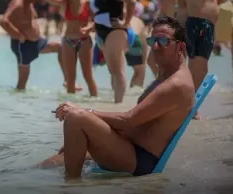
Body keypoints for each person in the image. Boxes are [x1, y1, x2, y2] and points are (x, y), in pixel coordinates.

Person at [37, 16, 195, 179]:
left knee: (75, 117)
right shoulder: (167, 74)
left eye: (163, 41)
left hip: (138, 160)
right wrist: (88, 130)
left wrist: (84, 113)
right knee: (52, 162)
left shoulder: (176, 84)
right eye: (152, 40)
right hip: (128, 145)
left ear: (180, 47)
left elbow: (129, 120)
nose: (155, 46)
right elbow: (136, 122)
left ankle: (71, 186)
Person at [0, 0, 67, 90]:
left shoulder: (29, 2)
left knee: (60, 47)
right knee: (22, 85)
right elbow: (4, 21)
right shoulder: (18, 4)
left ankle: (67, 80)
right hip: (22, 46)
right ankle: (18, 103)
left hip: (36, 42)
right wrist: (18, 35)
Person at [91, 0, 137, 103]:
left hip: (115, 30)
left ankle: (119, 105)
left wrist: (126, 22)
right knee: (112, 70)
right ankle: (116, 102)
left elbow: (131, 2)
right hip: (103, 31)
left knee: (117, 71)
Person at [45, 0, 97, 96]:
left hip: (84, 40)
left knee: (88, 75)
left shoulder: (87, 3)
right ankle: (70, 106)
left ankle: (95, 102)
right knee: (70, 77)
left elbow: (96, 20)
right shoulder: (64, 2)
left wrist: (88, 27)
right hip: (68, 40)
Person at [147, 0, 178, 77]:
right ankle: (162, 81)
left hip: (167, 30)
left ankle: (165, 81)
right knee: (151, 62)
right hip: (162, 30)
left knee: (161, 61)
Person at [125, 16, 149, 88]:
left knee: (116, 73)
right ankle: (135, 95)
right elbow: (144, 41)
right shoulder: (139, 21)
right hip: (133, 38)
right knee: (140, 71)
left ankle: (116, 96)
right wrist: (144, 61)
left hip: (114, 36)